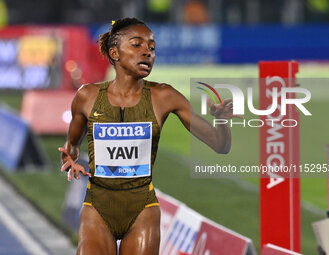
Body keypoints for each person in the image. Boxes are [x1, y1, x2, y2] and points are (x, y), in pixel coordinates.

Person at [59, 17, 241, 255]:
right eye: (137, 45)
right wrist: (69, 158)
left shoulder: (164, 96)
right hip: (97, 207)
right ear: (115, 53)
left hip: (142, 209)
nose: (147, 52)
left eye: (152, 48)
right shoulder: (88, 96)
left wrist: (221, 121)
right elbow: (72, 144)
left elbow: (219, 145)